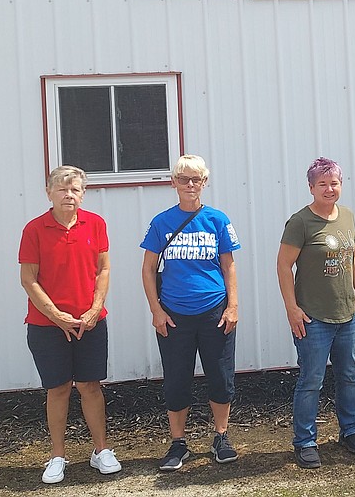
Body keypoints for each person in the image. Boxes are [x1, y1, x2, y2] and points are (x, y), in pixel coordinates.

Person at [19, 165, 122, 484]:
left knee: (91, 386)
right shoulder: (34, 230)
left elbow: (103, 270)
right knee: (59, 388)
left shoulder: (96, 224)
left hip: (90, 322)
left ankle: (101, 451)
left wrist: (94, 309)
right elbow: (28, 279)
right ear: (48, 193)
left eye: (75, 189)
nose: (69, 195)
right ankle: (57, 456)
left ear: (83, 193)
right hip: (46, 326)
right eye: (62, 189)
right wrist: (57, 316)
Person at [140, 155, 241, 470]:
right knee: (176, 380)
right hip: (174, 316)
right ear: (173, 183)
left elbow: (229, 265)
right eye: (183, 178)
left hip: (215, 312)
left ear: (205, 182)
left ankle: (221, 437)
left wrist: (233, 306)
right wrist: (156, 310)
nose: (190, 184)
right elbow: (147, 269)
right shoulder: (161, 222)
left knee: (220, 378)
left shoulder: (218, 220)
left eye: (196, 179)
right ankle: (178, 443)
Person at [277, 157, 355, 469]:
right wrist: (292, 308)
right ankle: (305, 441)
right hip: (313, 316)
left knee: (349, 375)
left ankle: (351, 430)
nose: (329, 189)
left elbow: (354, 257)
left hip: (346, 314)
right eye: (322, 184)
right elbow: (283, 266)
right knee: (311, 379)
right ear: (311, 187)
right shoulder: (300, 222)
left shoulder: (348, 217)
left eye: (334, 183)